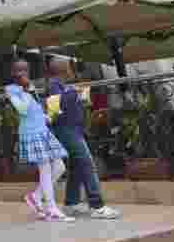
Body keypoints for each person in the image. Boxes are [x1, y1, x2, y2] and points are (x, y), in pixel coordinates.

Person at [47, 57, 119, 220]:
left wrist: (80, 98)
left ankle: (71, 204)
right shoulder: (54, 85)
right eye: (70, 67)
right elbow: (56, 107)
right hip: (67, 130)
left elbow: (67, 104)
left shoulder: (62, 86)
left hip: (73, 129)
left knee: (76, 167)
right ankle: (97, 206)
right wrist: (75, 92)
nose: (72, 70)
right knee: (87, 165)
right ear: (64, 69)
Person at [7, 58, 73, 222]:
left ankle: (36, 196)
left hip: (42, 130)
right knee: (45, 169)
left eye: (25, 69)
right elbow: (21, 109)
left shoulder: (29, 86)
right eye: (19, 70)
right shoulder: (11, 89)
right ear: (13, 73)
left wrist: (47, 115)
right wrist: (27, 89)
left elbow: (34, 108)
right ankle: (51, 208)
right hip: (31, 133)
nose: (23, 73)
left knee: (59, 167)